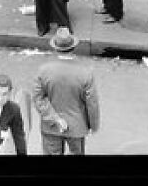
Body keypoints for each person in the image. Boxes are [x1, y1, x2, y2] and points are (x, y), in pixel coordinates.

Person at [32, 27, 100, 155]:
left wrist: (55, 118)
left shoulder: (43, 71)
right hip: (77, 127)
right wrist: (93, 126)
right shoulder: (85, 73)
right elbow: (92, 104)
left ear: (56, 48)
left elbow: (38, 99)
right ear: (73, 47)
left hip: (51, 127)